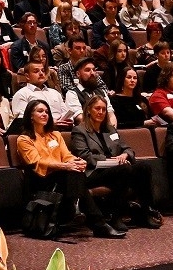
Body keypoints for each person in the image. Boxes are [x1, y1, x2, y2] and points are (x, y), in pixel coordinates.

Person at [13, 99, 121, 238]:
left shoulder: (55, 135)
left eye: (47, 111)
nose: (45, 114)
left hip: (60, 175)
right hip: (39, 178)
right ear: (30, 116)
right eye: (40, 111)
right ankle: (90, 218)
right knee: (72, 173)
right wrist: (65, 166)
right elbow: (36, 162)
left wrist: (77, 161)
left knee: (75, 171)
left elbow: (66, 155)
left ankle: (93, 219)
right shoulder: (24, 139)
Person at [69, 94, 163, 231]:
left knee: (144, 167)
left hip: (117, 169)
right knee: (124, 170)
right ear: (88, 110)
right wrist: (109, 161)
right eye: (97, 109)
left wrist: (125, 154)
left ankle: (144, 213)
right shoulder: (80, 130)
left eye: (103, 109)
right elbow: (84, 155)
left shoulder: (110, 129)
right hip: (94, 173)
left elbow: (127, 148)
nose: (101, 112)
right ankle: (115, 216)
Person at [10, 59, 69, 126]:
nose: (41, 73)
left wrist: (68, 120)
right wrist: (49, 123)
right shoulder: (21, 94)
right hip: (37, 131)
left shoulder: (55, 93)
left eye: (43, 71)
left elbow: (65, 112)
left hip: (62, 128)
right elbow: (22, 120)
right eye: (36, 71)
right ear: (27, 76)